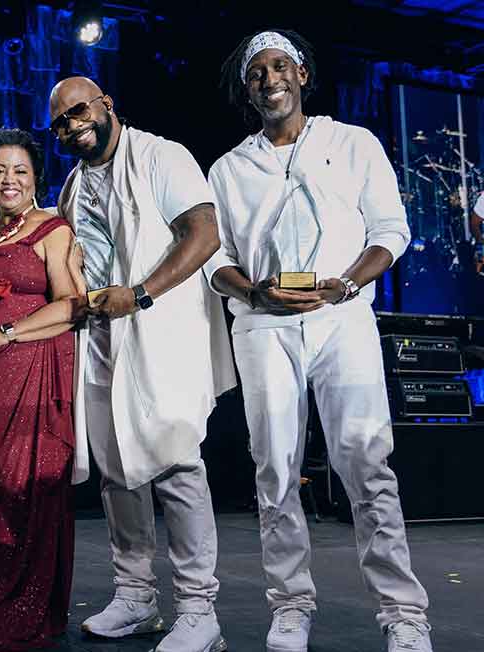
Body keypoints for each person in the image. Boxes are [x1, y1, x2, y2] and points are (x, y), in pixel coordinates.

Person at [208, 30, 432, 652]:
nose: (269, 78)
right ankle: (290, 606)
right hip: (263, 322)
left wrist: (346, 284)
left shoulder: (352, 143)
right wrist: (254, 292)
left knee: (366, 462)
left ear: (303, 74)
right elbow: (214, 259)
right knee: (274, 467)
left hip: (342, 316)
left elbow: (391, 230)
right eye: (257, 72)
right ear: (248, 88)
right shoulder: (229, 167)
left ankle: (403, 614)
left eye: (281, 66)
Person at [49, 76, 236, 652]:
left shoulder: (161, 155)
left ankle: (199, 611)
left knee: (178, 465)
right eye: (59, 122)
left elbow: (204, 233)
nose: (71, 125)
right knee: (116, 469)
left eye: (78, 110)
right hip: (103, 340)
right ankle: (136, 597)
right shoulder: (74, 185)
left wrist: (143, 292)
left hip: (162, 332)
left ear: (108, 103)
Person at [0, 128, 85, 649]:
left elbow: (74, 306)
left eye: (20, 171)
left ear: (36, 179)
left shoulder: (51, 228)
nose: (8, 180)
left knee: (23, 492)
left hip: (30, 376)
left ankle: (27, 614)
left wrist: (4, 333)